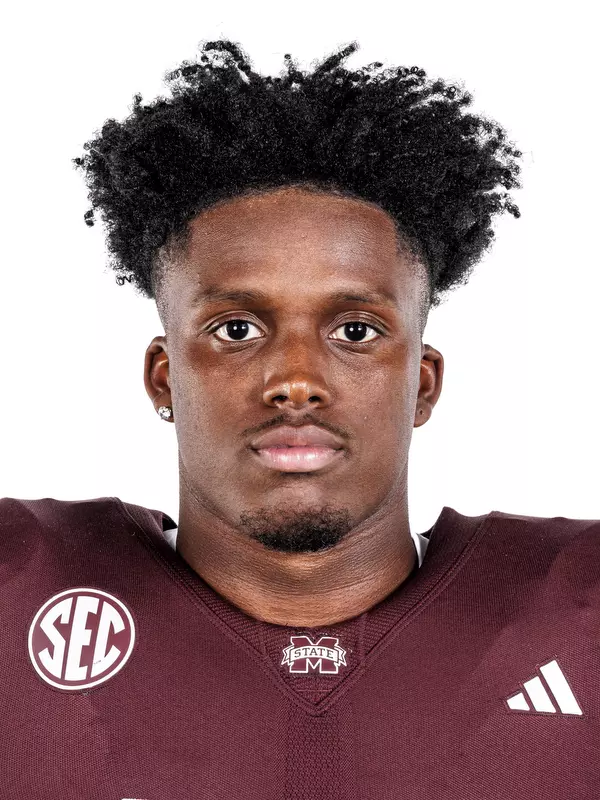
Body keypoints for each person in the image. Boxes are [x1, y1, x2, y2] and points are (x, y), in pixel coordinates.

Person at [2, 38, 598, 799]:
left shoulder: (578, 610)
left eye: (354, 331)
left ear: (422, 384)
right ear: (164, 378)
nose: (294, 381)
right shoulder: (20, 590)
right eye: (238, 330)